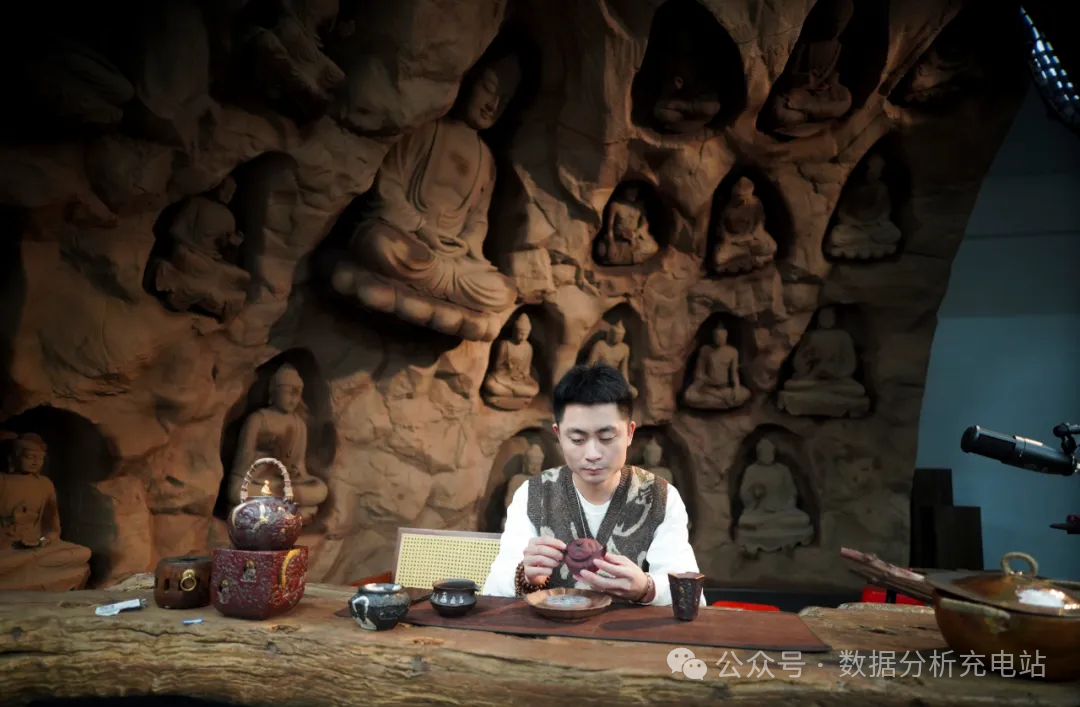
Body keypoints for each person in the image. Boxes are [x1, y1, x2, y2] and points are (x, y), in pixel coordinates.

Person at [482, 363, 705, 606]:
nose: (592, 454)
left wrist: (646, 588)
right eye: (577, 439)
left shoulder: (660, 497)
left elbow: (690, 596)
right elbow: (494, 588)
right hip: (552, 629)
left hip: (629, 631)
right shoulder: (533, 494)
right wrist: (525, 576)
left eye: (606, 438)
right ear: (559, 436)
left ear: (630, 433)